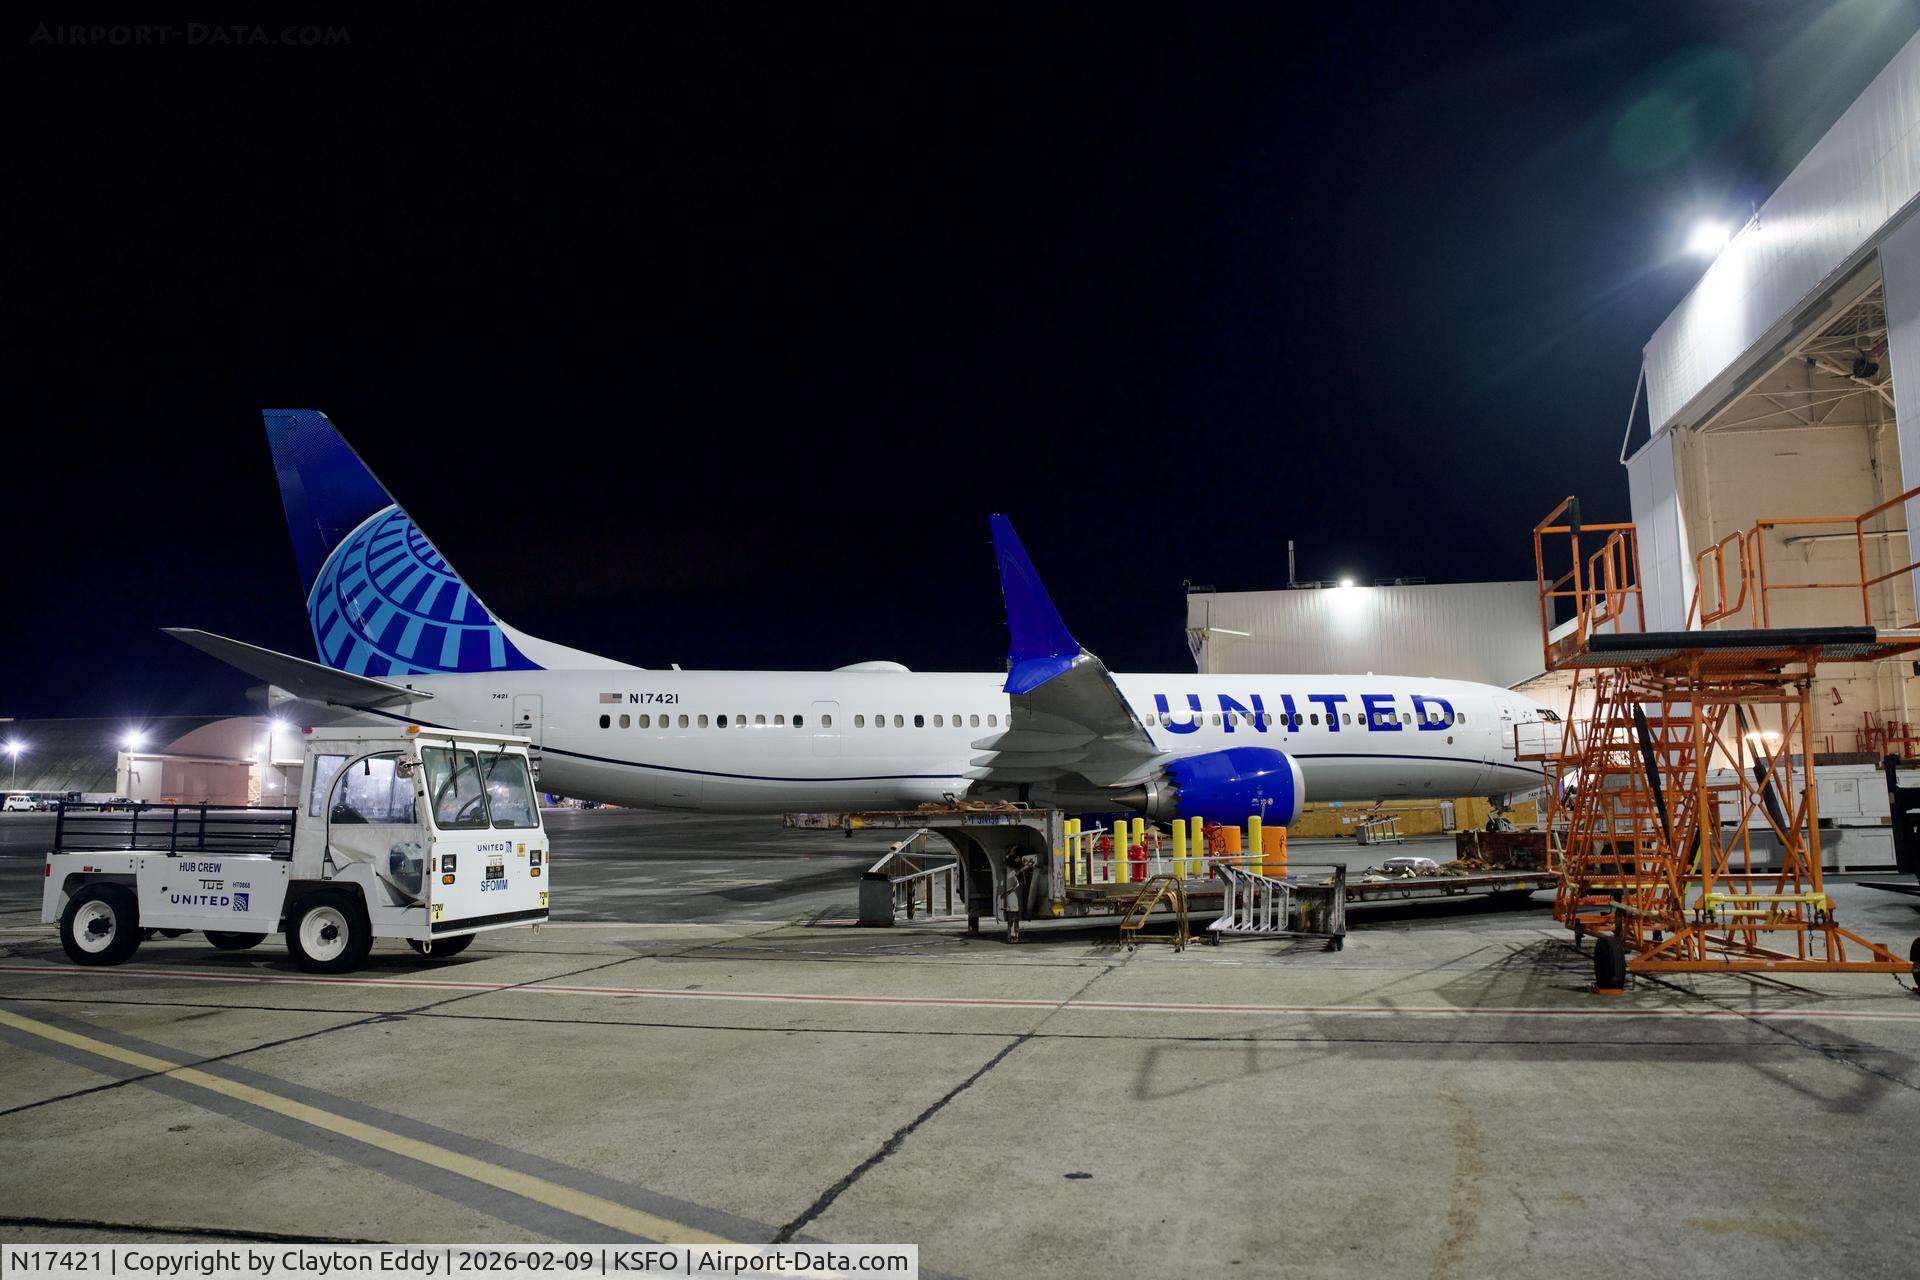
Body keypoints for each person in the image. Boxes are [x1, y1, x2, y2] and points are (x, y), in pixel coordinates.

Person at [1002, 851, 1032, 943]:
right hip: (1016, 887)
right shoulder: (1015, 869)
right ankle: (1013, 935)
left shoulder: (1013, 868)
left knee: (1015, 908)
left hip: (1015, 884)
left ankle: (1013, 935)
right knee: (1016, 907)